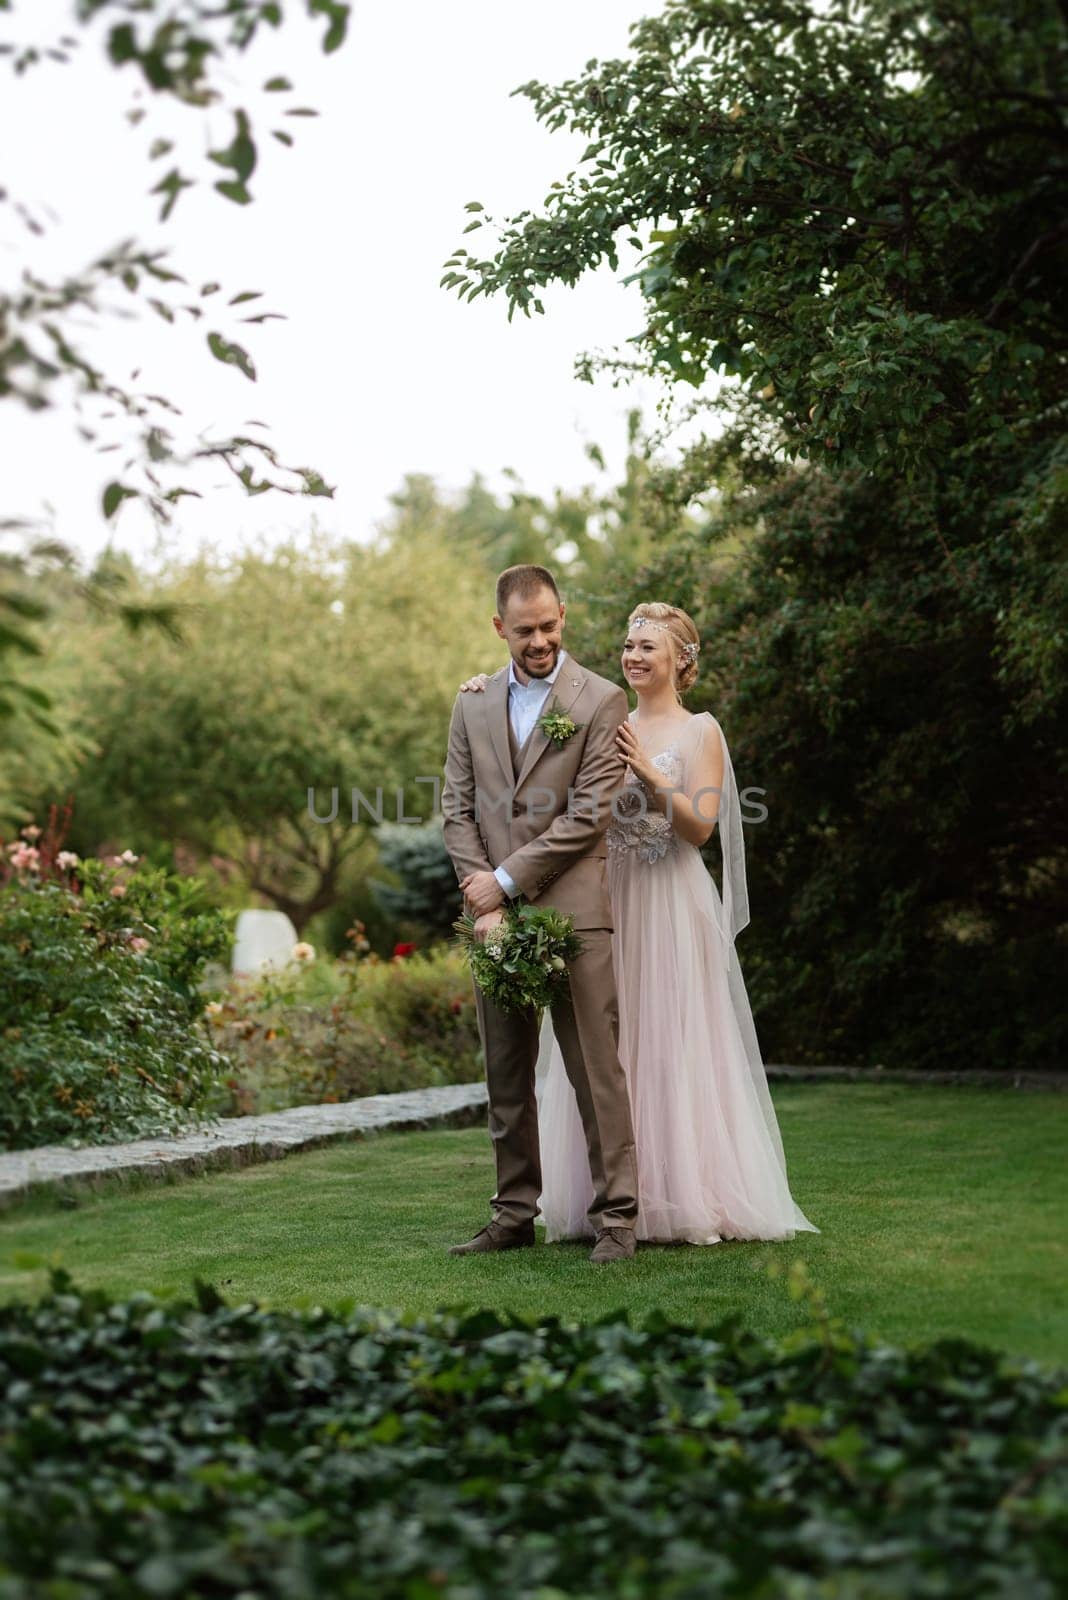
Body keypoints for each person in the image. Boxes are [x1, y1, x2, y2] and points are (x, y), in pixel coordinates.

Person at [459, 601, 817, 1245]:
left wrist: (653, 778)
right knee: (605, 1052)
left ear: (682, 660)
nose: (632, 656)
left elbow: (700, 828)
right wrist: (483, 687)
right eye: (628, 645)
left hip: (669, 903)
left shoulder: (699, 730)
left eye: (647, 647)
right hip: (603, 898)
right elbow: (530, 745)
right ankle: (605, 1198)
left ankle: (674, 1195)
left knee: (668, 1041)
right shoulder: (600, 714)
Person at [442, 564, 640, 1263]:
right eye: (524, 630)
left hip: (575, 913)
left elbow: (589, 817)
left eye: (550, 626)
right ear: (499, 627)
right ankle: (512, 1212)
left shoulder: (603, 700)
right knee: (505, 1069)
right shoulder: (471, 703)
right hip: (493, 920)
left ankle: (618, 1217)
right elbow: (456, 808)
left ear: (564, 616)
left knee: (595, 1070)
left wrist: (503, 880)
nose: (540, 641)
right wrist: (481, 896)